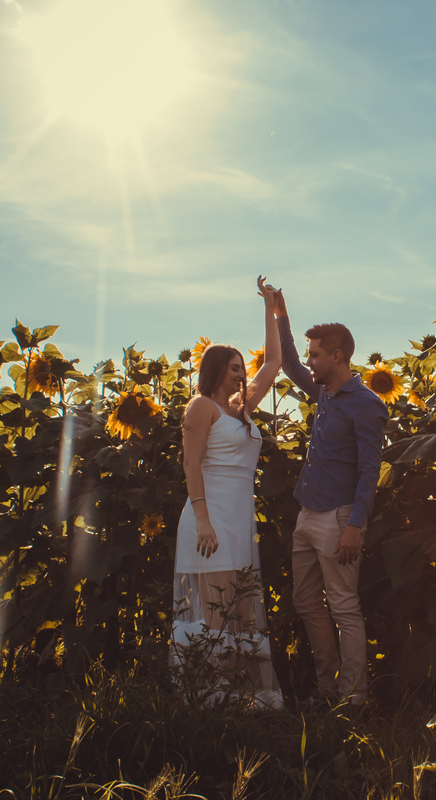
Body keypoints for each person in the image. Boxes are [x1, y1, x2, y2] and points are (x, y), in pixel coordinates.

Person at [172, 276, 283, 709]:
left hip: (238, 520)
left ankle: (240, 700)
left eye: (242, 368)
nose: (242, 373)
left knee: (239, 613)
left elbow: (272, 362)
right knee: (216, 614)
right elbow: (190, 463)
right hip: (210, 519)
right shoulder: (202, 407)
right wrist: (203, 519)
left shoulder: (241, 409)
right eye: (235, 367)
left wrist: (271, 308)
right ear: (217, 370)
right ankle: (209, 703)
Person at [274, 287, 389, 706]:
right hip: (308, 514)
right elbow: (287, 362)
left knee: (343, 607)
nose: (309, 361)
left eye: (316, 355)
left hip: (340, 519)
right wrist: (280, 314)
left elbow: (369, 470)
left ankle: (352, 699)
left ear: (336, 356)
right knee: (306, 601)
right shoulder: (323, 392)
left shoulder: (366, 405)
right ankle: (326, 689)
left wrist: (355, 526)